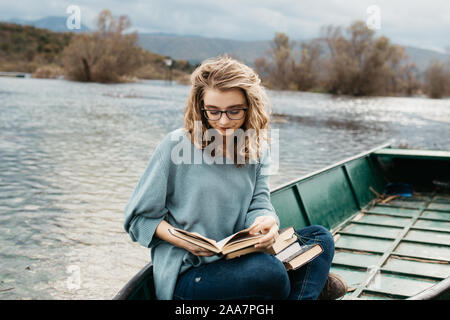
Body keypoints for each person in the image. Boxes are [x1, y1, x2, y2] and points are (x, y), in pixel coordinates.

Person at [123, 55, 347, 300]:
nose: (223, 121)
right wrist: (184, 241)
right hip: (190, 273)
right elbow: (139, 219)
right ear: (201, 107)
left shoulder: (257, 148)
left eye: (234, 111)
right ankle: (307, 289)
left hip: (240, 257)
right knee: (270, 274)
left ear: (249, 106)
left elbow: (259, 203)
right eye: (213, 112)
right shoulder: (176, 146)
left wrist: (267, 223)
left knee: (320, 239)